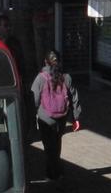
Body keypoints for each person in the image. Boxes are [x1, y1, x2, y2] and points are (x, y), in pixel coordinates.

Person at [31, 51, 81, 181]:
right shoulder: (66, 77)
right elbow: (74, 97)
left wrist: (32, 116)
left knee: (48, 147)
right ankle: (56, 172)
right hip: (62, 118)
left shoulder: (40, 78)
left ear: (45, 62)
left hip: (45, 118)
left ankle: (53, 173)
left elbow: (34, 99)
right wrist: (76, 118)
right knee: (57, 143)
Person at [27, 0, 65, 67]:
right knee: (51, 45)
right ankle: (52, 67)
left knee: (39, 46)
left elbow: (29, 0)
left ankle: (41, 68)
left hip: (37, 16)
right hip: (50, 16)